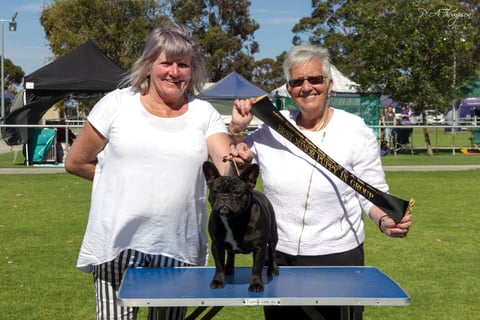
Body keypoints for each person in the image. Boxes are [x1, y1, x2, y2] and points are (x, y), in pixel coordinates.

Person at [227, 45, 412, 320]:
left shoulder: (355, 130)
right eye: (297, 81)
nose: (307, 87)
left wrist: (385, 220)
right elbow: (231, 176)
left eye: (315, 79)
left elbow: (370, 193)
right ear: (289, 90)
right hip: (279, 256)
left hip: (339, 257)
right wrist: (237, 133)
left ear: (329, 85)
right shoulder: (270, 129)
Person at [65, 25, 237, 320]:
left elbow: (226, 168)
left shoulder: (204, 114)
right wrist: (119, 182)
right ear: (148, 65)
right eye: (166, 63)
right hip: (116, 245)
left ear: (192, 71)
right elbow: (76, 161)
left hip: (176, 249)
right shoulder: (117, 104)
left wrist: (236, 151)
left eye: (183, 65)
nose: (174, 71)